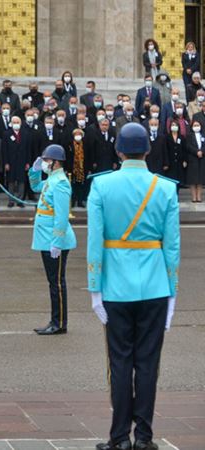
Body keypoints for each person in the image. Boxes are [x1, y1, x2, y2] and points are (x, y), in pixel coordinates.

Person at [87, 122, 179, 450]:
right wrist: (172, 290)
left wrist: (94, 286)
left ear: (119, 150)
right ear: (148, 150)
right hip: (154, 284)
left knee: (120, 361)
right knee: (148, 363)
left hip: (115, 285)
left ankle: (118, 437)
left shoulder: (102, 187)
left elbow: (95, 240)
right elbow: (172, 247)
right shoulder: (165, 188)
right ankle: (144, 436)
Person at [28, 145, 76, 335]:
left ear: (56, 162)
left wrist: (57, 241)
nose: (45, 163)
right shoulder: (52, 180)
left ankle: (60, 322)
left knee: (56, 282)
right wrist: (34, 171)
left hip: (53, 240)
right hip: (46, 237)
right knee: (53, 282)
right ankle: (55, 320)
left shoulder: (61, 182)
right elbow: (35, 187)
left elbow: (62, 216)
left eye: (47, 160)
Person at [187, 120, 205, 202]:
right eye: (195, 125)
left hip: (202, 158)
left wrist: (202, 151)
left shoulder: (203, 135)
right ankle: (194, 197)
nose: (196, 127)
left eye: (198, 125)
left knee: (200, 179)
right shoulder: (189, 136)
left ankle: (199, 196)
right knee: (193, 179)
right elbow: (188, 146)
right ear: (192, 127)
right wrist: (196, 152)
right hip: (192, 158)